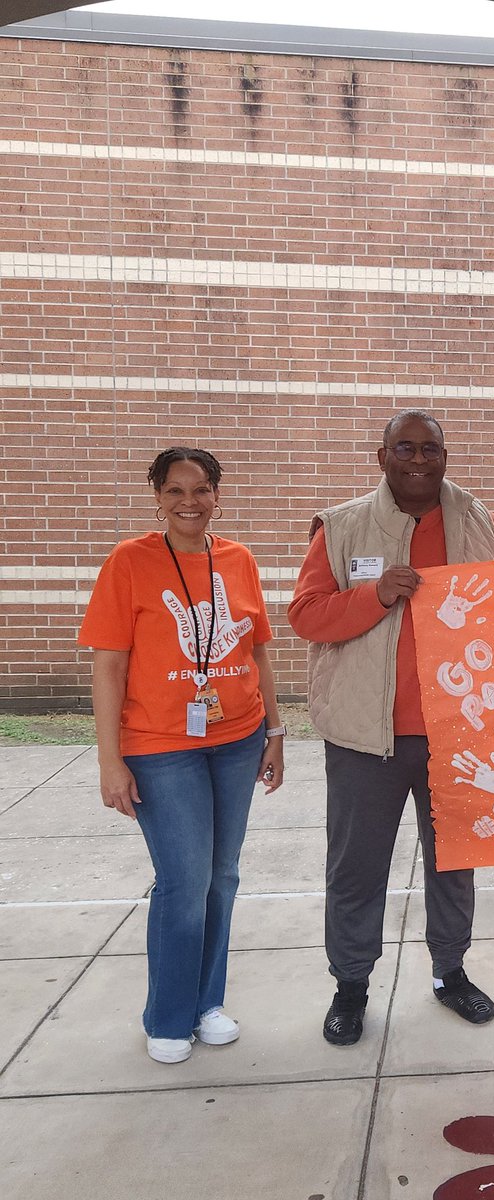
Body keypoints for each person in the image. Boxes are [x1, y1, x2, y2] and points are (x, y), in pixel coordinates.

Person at [289, 409, 494, 1045]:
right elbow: (306, 616)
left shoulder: (479, 524)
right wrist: (375, 595)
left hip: (456, 735)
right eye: (405, 448)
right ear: (381, 455)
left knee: (454, 865)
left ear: (446, 455)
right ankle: (351, 986)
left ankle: (451, 974)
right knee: (357, 869)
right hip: (367, 738)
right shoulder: (341, 527)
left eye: (430, 449)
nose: (419, 460)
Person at [79, 447, 285, 1064]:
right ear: (158, 496)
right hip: (160, 748)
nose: (189, 502)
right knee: (184, 880)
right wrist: (108, 760)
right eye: (175, 491)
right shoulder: (130, 561)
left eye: (200, 490)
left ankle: (206, 1003)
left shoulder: (238, 560)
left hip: (237, 739)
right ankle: (168, 1015)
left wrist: (275, 732)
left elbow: (260, 653)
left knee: (222, 876)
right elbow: (109, 667)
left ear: (218, 494)